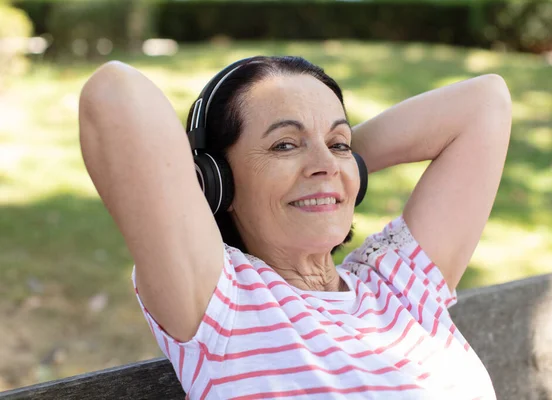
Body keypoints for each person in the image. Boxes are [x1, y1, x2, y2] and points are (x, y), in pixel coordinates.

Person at [79, 55, 511, 399]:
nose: (324, 164)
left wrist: (345, 169)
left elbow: (486, 102)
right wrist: (196, 189)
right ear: (218, 180)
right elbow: (115, 93)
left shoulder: (399, 287)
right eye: (284, 144)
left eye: (339, 144)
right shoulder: (224, 303)